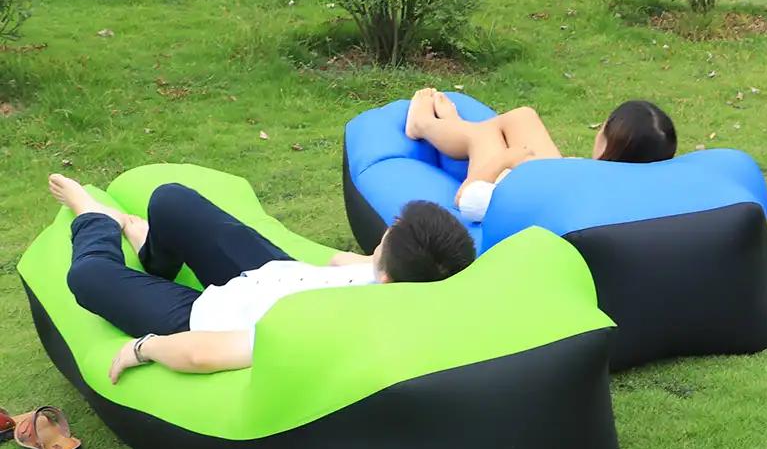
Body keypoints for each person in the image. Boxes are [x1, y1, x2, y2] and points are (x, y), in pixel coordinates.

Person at [48, 174, 476, 383]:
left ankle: (96, 218)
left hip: (212, 316)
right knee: (169, 201)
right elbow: (346, 262)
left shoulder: (326, 324)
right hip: (274, 272)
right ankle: (152, 255)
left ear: (388, 282)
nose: (383, 235)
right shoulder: (399, 282)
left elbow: (204, 355)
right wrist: (368, 260)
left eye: (388, 236)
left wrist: (142, 349)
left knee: (88, 276)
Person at [404, 88, 678, 222]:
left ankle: (422, 124)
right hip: (554, 179)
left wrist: (506, 159)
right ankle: (455, 127)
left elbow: (468, 201)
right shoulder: (640, 187)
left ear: (608, 143)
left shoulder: (582, 190)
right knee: (523, 117)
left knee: (481, 137)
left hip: (523, 198)